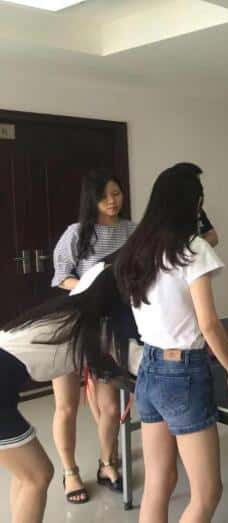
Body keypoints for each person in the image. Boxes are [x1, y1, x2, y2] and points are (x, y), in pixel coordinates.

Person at [116, 163, 228, 523]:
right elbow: (208, 323)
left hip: (147, 369)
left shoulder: (138, 250)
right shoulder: (193, 249)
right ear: (192, 204)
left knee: (158, 483)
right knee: (207, 493)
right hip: (182, 375)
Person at [0, 260, 134, 523]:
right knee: (38, 476)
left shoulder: (68, 312)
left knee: (25, 475)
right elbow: (133, 361)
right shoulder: (92, 330)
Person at [50, 169, 135, 502]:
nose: (112, 201)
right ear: (92, 199)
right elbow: (61, 277)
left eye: (116, 193)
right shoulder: (76, 233)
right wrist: (92, 287)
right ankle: (70, 472)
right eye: (104, 196)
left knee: (110, 407)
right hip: (73, 324)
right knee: (66, 406)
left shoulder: (132, 230)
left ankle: (106, 463)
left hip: (111, 327)